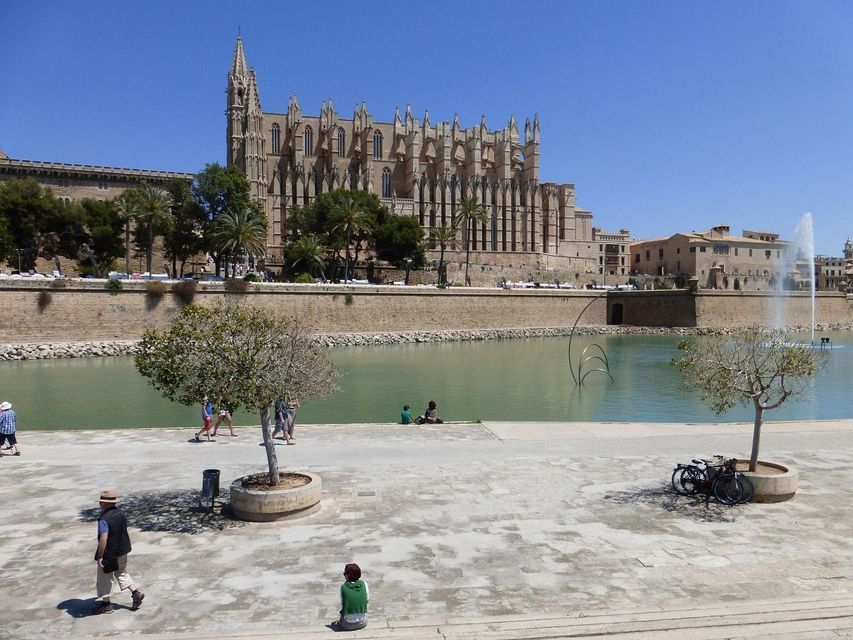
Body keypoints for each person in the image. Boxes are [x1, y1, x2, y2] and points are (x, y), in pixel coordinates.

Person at [93, 490, 144, 614]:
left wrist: (100, 556)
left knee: (104, 577)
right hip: (122, 549)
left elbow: (104, 538)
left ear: (104, 503)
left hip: (109, 553)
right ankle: (135, 592)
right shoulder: (120, 514)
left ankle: (106, 604)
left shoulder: (103, 519)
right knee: (122, 573)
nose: (100, 504)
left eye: (101, 502)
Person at [338, 563, 369, 630]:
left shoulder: (343, 587)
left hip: (348, 624)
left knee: (340, 617)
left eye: (345, 573)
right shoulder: (365, 584)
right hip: (363, 622)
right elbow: (367, 600)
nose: (344, 575)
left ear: (348, 575)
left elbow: (342, 603)